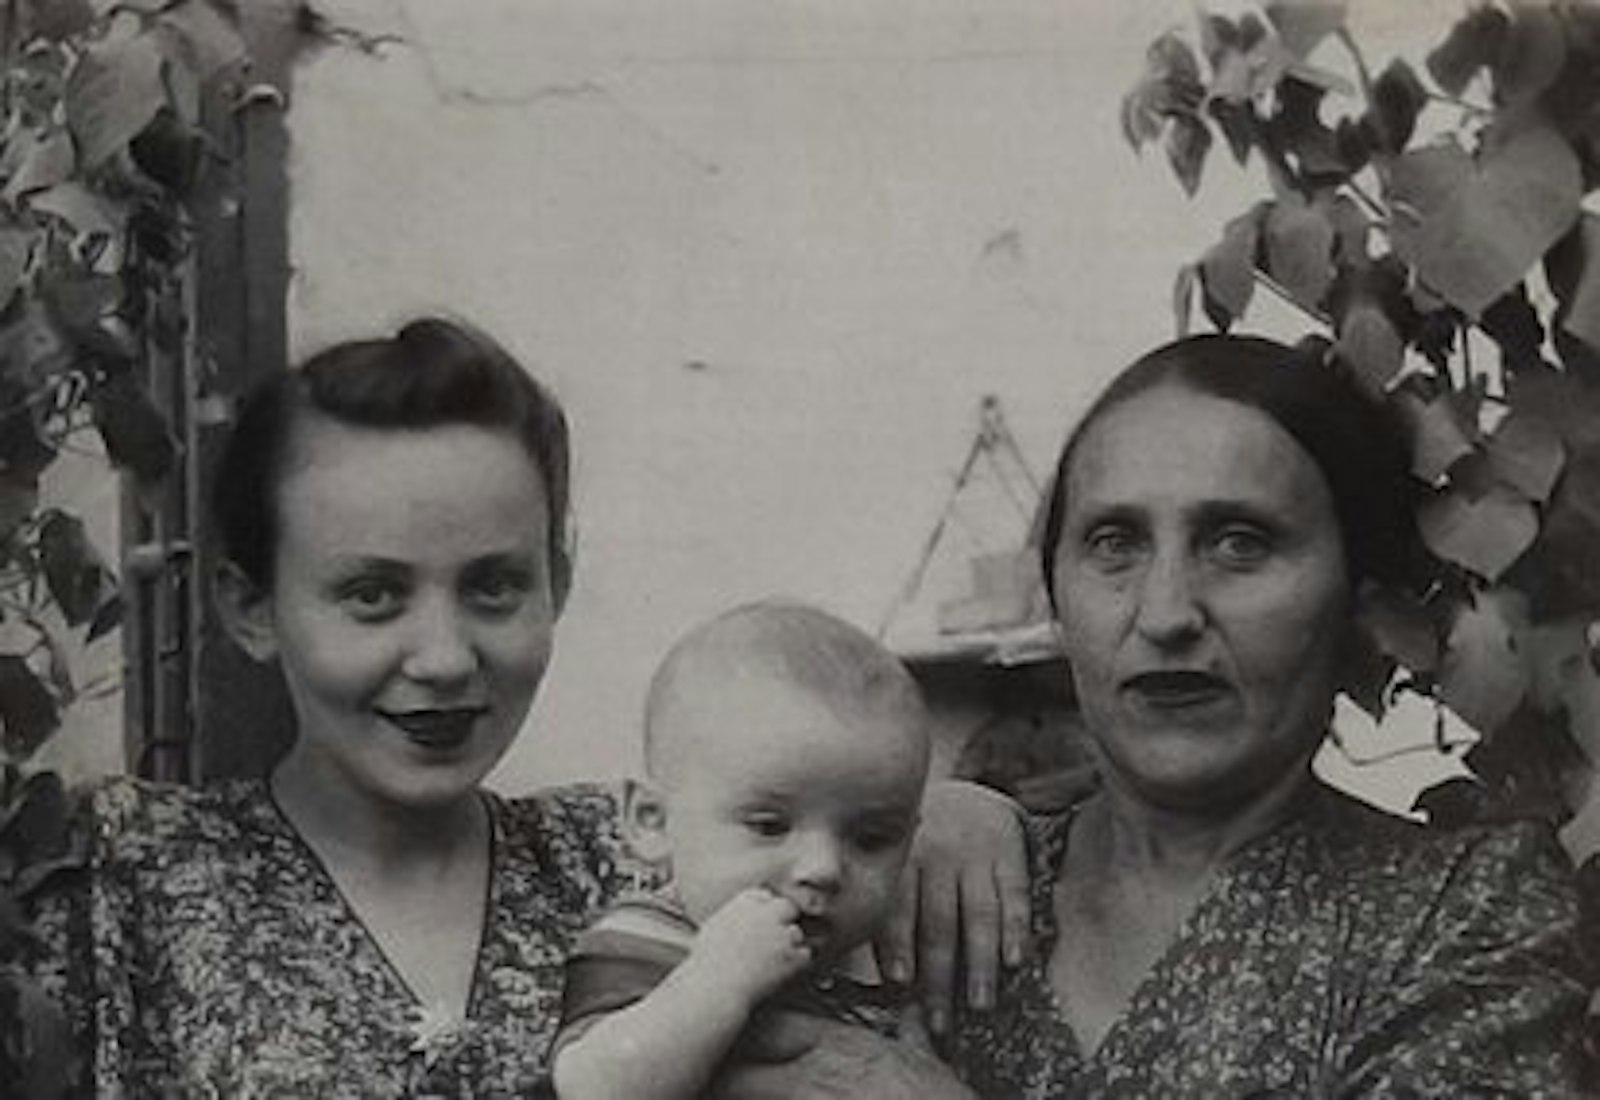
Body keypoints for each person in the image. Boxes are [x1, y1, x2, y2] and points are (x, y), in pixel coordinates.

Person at [22, 317, 1013, 1096]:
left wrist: (962, 815)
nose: (445, 658)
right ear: (250, 607)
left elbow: (837, 815)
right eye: (372, 594)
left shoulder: (647, 850)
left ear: (558, 582)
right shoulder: (129, 873)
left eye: (494, 587)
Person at [941, 333, 1593, 1095]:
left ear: (1359, 604)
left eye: (1239, 543)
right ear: (1057, 598)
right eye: (1115, 543)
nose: (1166, 613)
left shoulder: (1459, 911)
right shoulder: (943, 883)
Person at [552, 601, 931, 1098]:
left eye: (872, 839)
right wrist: (719, 979)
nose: (823, 868)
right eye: (770, 826)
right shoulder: (648, 939)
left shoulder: (882, 956)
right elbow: (593, 1089)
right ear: (653, 822)